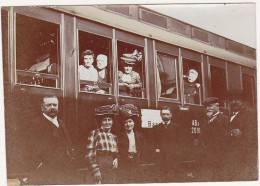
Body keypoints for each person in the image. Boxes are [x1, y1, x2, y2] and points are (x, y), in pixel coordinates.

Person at [18, 95, 75, 185]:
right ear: (42, 107)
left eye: (55, 105)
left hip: (63, 170)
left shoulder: (62, 123)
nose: (52, 107)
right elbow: (29, 149)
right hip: (45, 172)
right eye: (49, 105)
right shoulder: (35, 124)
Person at [225, 92, 258, 181]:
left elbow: (253, 133)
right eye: (231, 100)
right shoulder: (230, 115)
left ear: (243, 101)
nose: (234, 102)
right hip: (232, 154)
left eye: (237, 99)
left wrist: (241, 133)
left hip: (243, 154)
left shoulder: (249, 113)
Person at [85, 104, 119, 184]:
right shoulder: (95, 133)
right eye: (105, 120)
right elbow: (90, 154)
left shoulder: (114, 136)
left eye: (109, 120)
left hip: (110, 167)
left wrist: (116, 158)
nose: (107, 122)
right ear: (101, 121)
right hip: (99, 163)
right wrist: (96, 170)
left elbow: (116, 151)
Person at [152, 106, 187, 182]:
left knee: (174, 177)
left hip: (174, 157)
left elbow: (181, 142)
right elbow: (154, 142)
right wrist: (157, 150)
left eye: (167, 114)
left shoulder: (177, 127)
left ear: (171, 115)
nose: (165, 116)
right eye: (163, 114)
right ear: (161, 115)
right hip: (161, 158)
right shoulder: (156, 128)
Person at [201, 97, 228, 181]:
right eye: (206, 107)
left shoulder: (225, 119)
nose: (207, 109)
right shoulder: (205, 121)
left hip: (220, 157)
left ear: (217, 106)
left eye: (210, 106)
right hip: (207, 156)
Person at [117, 104, 145, 183]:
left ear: (134, 123)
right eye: (125, 123)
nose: (128, 124)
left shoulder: (139, 135)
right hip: (124, 162)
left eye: (130, 122)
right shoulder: (120, 136)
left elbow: (143, 148)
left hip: (136, 161)